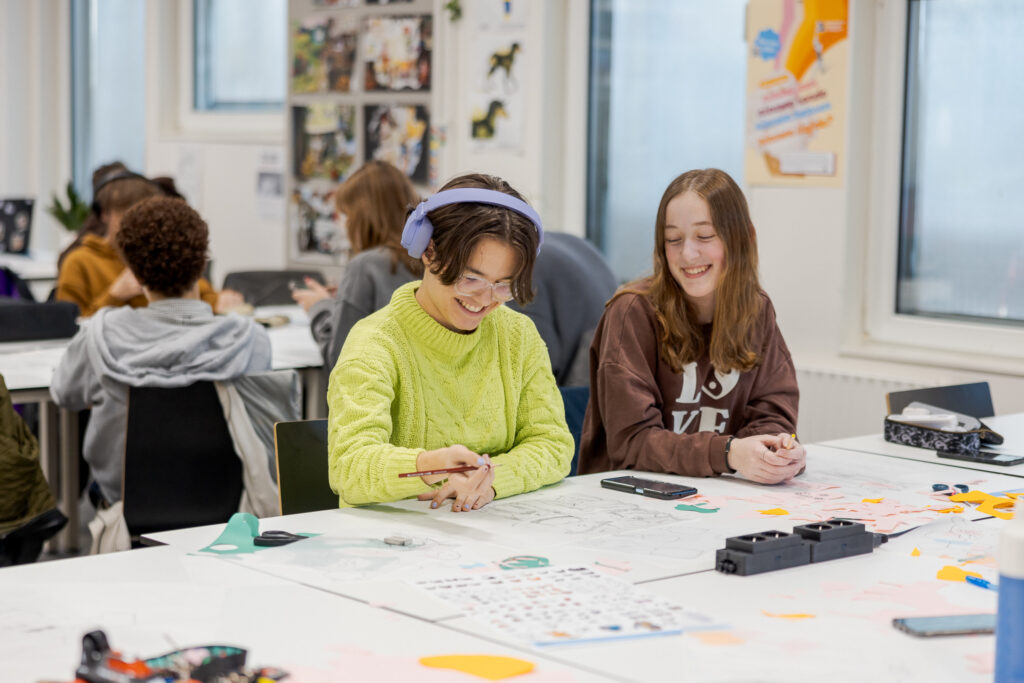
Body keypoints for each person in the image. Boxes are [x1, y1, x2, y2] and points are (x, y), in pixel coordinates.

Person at [327, 173, 574, 511]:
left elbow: (553, 443)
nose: (485, 300)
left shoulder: (519, 336)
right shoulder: (375, 344)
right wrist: (429, 466)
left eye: (504, 284)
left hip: (487, 536)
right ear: (427, 251)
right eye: (471, 278)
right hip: (390, 546)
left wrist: (489, 480)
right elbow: (350, 467)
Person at [578, 168, 805, 484]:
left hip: (718, 494)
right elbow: (631, 444)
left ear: (743, 238)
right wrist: (727, 453)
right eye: (673, 239)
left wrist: (774, 449)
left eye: (705, 236)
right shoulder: (632, 312)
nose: (687, 254)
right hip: (625, 499)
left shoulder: (756, 308)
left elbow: (772, 413)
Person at [50, 197, 271, 506]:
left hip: (126, 507)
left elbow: (64, 395)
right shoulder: (249, 340)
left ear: (135, 275)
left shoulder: (99, 337)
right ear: (202, 263)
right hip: (226, 509)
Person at [55, 166, 241, 317]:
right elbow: (66, 327)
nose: (135, 223)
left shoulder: (158, 254)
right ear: (105, 214)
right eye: (125, 213)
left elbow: (196, 293)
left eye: (144, 215)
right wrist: (113, 296)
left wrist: (220, 300)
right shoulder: (79, 262)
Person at [291, 160, 422, 371]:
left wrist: (319, 307)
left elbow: (341, 360)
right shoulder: (426, 259)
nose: (345, 224)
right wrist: (344, 299)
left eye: (347, 215)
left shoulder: (365, 266)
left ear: (363, 217)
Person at [508, 232, 616, 386]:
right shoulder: (550, 242)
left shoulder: (521, 270)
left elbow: (533, 369)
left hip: (587, 374)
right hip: (612, 351)